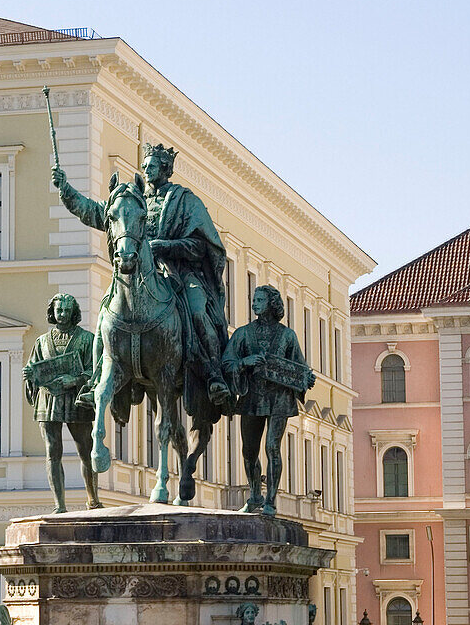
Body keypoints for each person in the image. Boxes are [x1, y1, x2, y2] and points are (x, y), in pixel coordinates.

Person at [51, 142, 231, 418]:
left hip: (179, 273)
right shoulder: (132, 200)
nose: (147, 170)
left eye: (152, 166)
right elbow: (94, 212)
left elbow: (200, 245)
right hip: (135, 274)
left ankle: (213, 373)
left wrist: (164, 246)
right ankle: (97, 376)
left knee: (197, 312)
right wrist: (66, 190)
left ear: (166, 169)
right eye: (145, 166)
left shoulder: (185, 201)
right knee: (104, 314)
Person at [223, 284, 314, 516]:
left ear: (272, 304)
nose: (255, 303)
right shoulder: (243, 333)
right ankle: (255, 495)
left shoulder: (287, 336)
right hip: (251, 396)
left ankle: (270, 501)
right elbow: (227, 363)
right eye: (253, 299)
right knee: (249, 451)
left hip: (279, 399)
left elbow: (299, 368)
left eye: (260, 300)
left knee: (273, 447)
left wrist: (307, 378)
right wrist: (245, 362)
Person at [23, 294, 102, 513]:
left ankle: (93, 499)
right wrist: (30, 375)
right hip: (48, 400)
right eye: (59, 310)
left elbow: (95, 370)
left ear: (74, 312)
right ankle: (59, 506)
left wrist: (75, 380)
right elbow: (34, 369)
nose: (63, 314)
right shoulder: (41, 341)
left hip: (77, 399)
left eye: (67, 310)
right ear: (53, 312)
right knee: (52, 452)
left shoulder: (87, 339)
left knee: (85, 450)